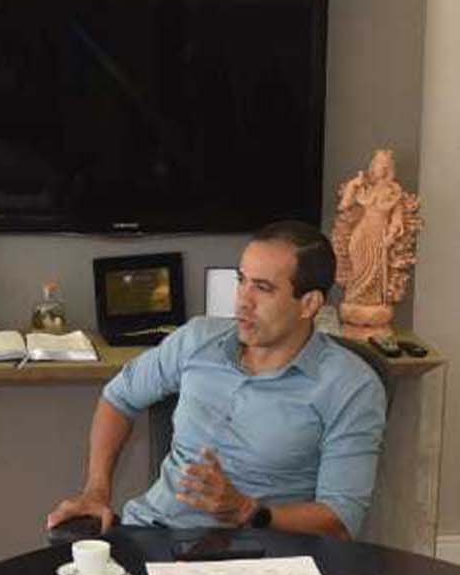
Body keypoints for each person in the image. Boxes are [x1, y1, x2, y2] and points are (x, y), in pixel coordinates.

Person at [45, 222, 385, 540]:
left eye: (263, 288)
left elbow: (340, 520)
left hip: (260, 555)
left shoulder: (351, 386)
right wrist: (96, 491)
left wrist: (249, 512)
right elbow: (118, 398)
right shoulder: (197, 339)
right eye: (242, 281)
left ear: (309, 304)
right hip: (154, 533)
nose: (243, 301)